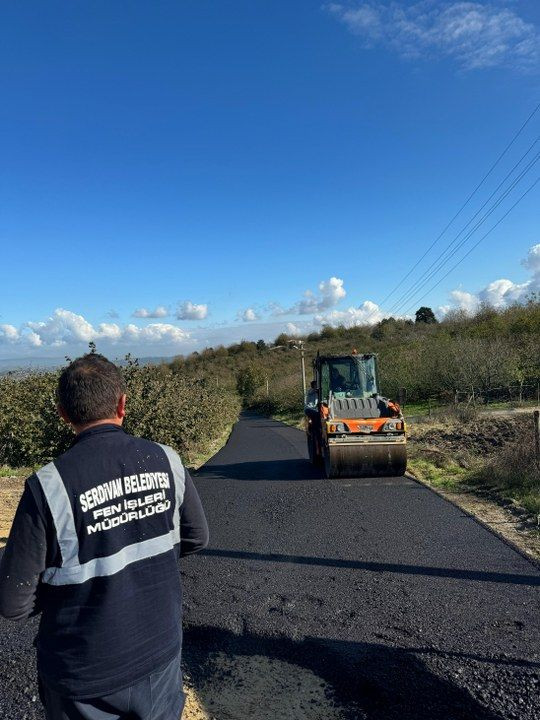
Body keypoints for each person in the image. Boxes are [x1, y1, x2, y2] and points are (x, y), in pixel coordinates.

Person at [0, 353, 208, 720]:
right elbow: (196, 537)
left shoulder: (48, 487)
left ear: (63, 414)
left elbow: (13, 602)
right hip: (159, 657)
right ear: (122, 403)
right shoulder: (167, 459)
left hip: (83, 678)